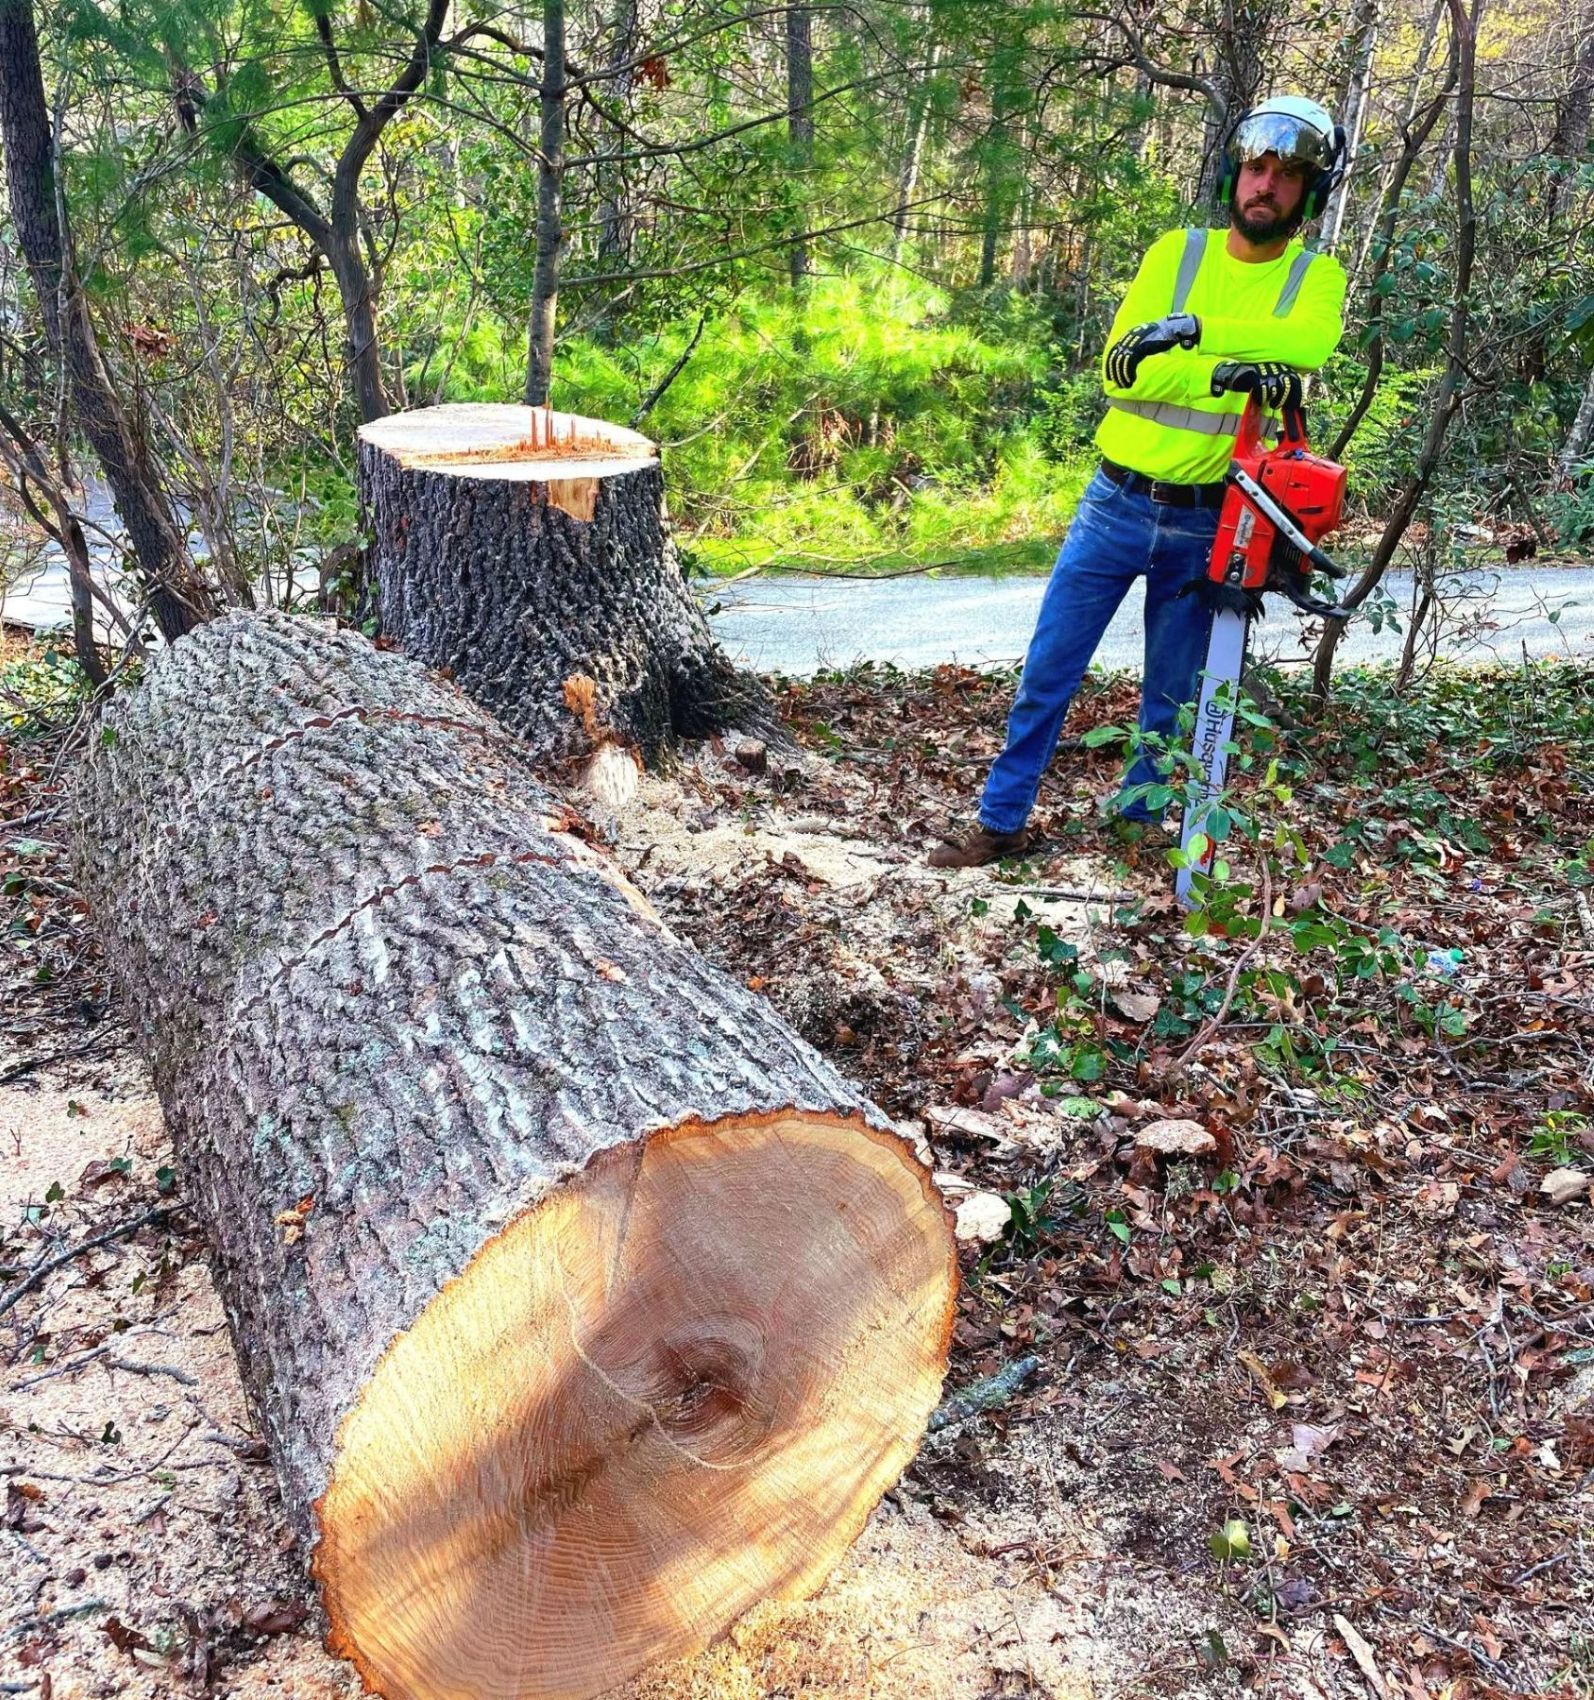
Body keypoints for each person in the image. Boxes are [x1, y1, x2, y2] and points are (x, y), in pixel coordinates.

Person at [929, 95, 1350, 868]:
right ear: (1234, 174)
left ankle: (1135, 821)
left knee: (1172, 693)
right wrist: (1231, 376)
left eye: (1287, 175)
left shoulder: (1315, 280)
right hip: (1114, 500)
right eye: (1256, 168)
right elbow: (1121, 375)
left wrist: (1188, 335)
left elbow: (1306, 344)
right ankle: (1000, 819)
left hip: (1209, 518)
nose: (1267, 186)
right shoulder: (1176, 254)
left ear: (1309, 192)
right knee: (1049, 668)